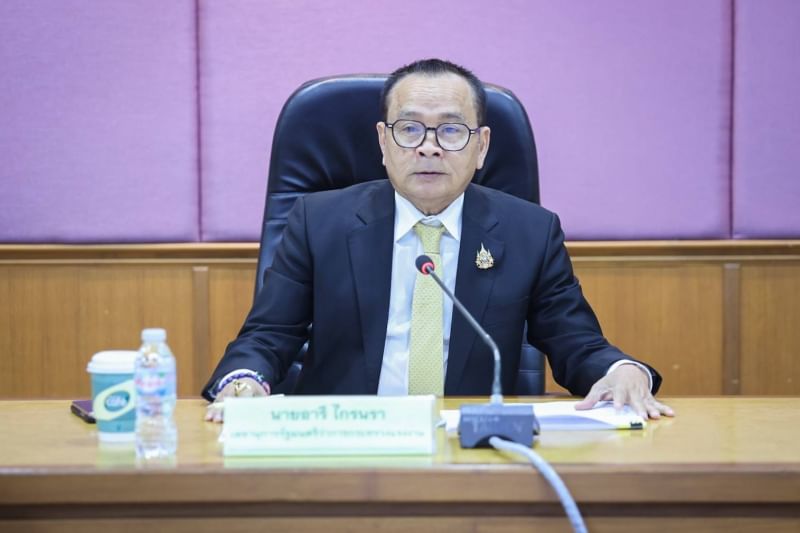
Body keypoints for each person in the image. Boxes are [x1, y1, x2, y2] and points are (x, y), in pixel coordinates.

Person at [203, 58, 674, 423]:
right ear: (383, 142)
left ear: (481, 146)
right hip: (345, 440)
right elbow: (269, 335)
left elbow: (577, 342)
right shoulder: (318, 221)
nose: (428, 147)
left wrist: (622, 372)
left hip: (473, 445)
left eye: (450, 130)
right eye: (409, 129)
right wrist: (243, 382)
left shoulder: (530, 232)